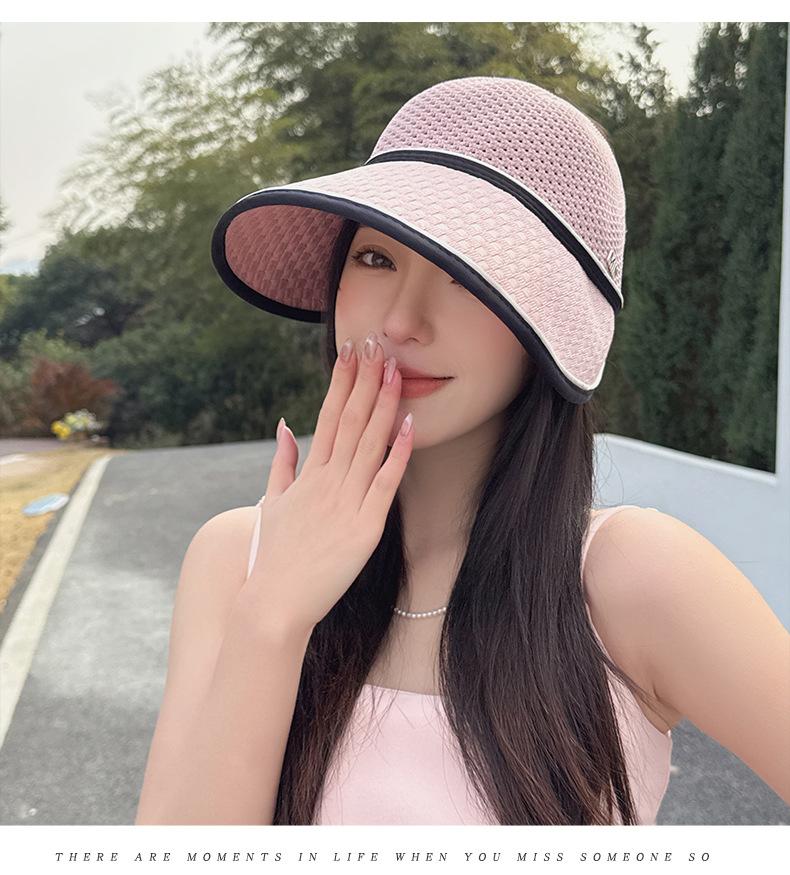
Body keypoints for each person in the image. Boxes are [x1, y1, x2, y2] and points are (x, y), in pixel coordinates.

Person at [135, 77, 790, 827]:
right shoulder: (234, 561)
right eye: (375, 258)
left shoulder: (629, 577)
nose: (402, 321)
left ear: (550, 324)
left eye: (468, 275)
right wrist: (272, 615)